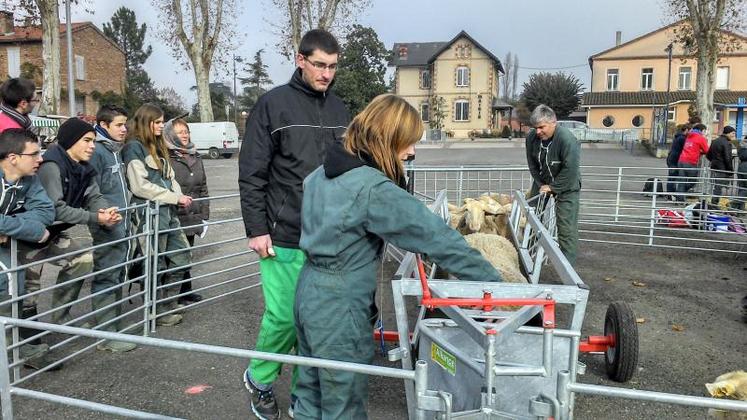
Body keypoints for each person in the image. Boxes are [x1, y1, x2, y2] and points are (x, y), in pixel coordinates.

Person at [293, 94, 503, 419]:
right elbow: (438, 238)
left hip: (307, 292)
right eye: (407, 142)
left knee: (308, 393)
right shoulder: (372, 189)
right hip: (339, 305)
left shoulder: (320, 175)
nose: (412, 151)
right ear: (387, 139)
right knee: (342, 406)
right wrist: (498, 287)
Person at [238, 29, 350, 420]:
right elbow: (252, 172)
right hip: (282, 232)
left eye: (332, 67)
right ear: (300, 60)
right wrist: (256, 229)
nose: (326, 74)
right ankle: (260, 378)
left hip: (327, 236)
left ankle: (305, 397)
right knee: (285, 316)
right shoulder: (272, 105)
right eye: (319, 64)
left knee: (315, 324)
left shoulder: (340, 110)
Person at [27, 118, 121, 329]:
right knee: (28, 291)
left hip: (52, 233)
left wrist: (104, 211)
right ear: (71, 141)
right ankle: (27, 344)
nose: (92, 146)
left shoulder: (83, 167)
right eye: (87, 140)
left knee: (82, 260)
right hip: (29, 235)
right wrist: (97, 218)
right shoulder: (51, 166)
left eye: (94, 141)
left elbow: (94, 195)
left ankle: (61, 318)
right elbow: (56, 209)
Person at [121, 104, 192, 327]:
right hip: (148, 214)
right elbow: (139, 186)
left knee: (182, 255)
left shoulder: (158, 146)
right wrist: (174, 198)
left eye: (163, 122)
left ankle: (168, 301)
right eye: (158, 122)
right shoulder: (133, 148)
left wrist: (179, 196)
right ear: (146, 122)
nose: (162, 126)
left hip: (167, 212)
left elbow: (170, 178)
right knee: (155, 263)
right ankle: (155, 309)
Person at [0, 129, 55, 362]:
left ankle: (11, 348)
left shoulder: (29, 180)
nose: (40, 159)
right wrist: (32, 229)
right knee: (11, 279)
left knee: (15, 279)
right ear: (13, 158)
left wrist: (14, 229)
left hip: (5, 242)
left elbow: (46, 213)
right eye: (34, 154)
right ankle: (9, 352)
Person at [87, 105, 137, 352]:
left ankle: (114, 325)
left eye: (125, 124)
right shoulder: (97, 151)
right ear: (103, 126)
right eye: (118, 125)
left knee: (118, 270)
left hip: (121, 219)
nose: (124, 129)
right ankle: (106, 334)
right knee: (107, 272)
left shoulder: (114, 150)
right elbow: (92, 190)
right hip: (107, 221)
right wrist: (104, 215)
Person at [525, 104, 582, 266]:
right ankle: (527, 255)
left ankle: (567, 268)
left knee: (566, 227)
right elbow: (532, 165)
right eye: (535, 128)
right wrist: (541, 184)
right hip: (542, 181)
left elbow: (570, 169)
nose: (538, 132)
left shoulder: (567, 139)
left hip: (567, 184)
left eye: (541, 127)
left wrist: (553, 188)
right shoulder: (531, 138)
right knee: (532, 216)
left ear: (553, 123)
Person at [164, 118, 209, 305]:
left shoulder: (195, 156)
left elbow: (203, 187)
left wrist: (204, 215)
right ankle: (170, 296)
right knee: (174, 256)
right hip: (175, 214)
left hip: (192, 213)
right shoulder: (166, 157)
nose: (184, 134)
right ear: (169, 134)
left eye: (186, 131)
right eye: (179, 132)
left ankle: (186, 290)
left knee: (187, 252)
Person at [677, 123, 709, 199]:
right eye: (705, 131)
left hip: (681, 160)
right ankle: (682, 193)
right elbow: (707, 150)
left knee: (682, 180)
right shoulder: (700, 138)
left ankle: (679, 197)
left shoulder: (689, 135)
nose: (705, 133)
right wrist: (701, 152)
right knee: (693, 181)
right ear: (703, 130)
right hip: (690, 161)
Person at [706, 126, 735, 206]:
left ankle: (713, 203)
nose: (733, 135)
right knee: (718, 187)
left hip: (714, 166)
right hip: (722, 168)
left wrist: (714, 161)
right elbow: (727, 158)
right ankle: (714, 204)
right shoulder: (727, 143)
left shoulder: (715, 141)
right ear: (728, 133)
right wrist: (730, 171)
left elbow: (708, 155)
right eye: (733, 133)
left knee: (715, 186)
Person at [667, 124, 689, 198]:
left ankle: (670, 194)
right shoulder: (682, 138)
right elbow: (686, 148)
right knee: (672, 177)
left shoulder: (678, 137)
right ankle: (670, 195)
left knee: (671, 177)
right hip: (675, 159)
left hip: (671, 158)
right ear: (686, 130)